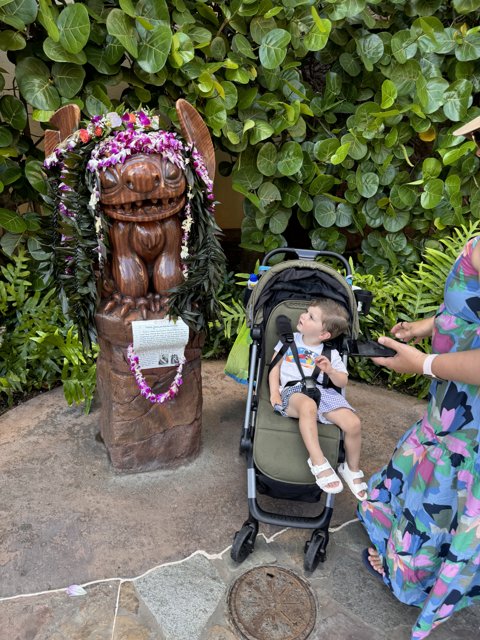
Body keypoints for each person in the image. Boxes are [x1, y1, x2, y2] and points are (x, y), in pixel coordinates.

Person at [357, 235, 480, 639]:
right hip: (453, 402)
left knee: (447, 491)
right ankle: (409, 554)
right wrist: (426, 327)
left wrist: (425, 364)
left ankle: (416, 572)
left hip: (469, 416)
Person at [268, 298, 367, 499]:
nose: (303, 316)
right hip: (293, 392)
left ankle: (351, 469)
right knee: (308, 405)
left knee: (353, 423)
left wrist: (330, 370)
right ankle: (318, 461)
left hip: (322, 392)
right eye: (306, 311)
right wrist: (274, 393)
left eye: (311, 316)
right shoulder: (288, 341)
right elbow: (274, 368)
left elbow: (342, 382)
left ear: (323, 334)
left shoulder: (330, 353)